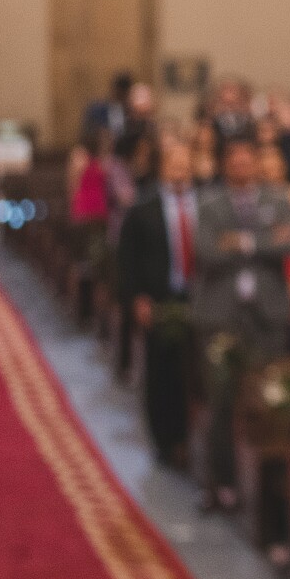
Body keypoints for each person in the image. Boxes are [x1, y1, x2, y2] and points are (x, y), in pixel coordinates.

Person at [194, 134, 290, 509]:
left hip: (266, 315)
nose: (241, 165)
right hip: (222, 316)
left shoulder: (277, 200)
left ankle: (269, 490)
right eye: (233, 160)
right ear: (225, 165)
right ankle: (220, 483)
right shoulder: (209, 204)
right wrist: (261, 241)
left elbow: (289, 242)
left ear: (256, 162)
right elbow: (207, 250)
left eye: (246, 159)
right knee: (220, 402)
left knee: (270, 398)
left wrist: (239, 241)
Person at [116, 135, 198, 467]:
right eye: (173, 164)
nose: (180, 170)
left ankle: (189, 438)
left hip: (197, 297)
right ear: (163, 168)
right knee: (162, 373)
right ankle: (165, 440)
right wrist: (137, 299)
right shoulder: (142, 209)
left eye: (184, 163)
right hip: (160, 298)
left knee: (191, 372)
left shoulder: (205, 204)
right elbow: (128, 261)